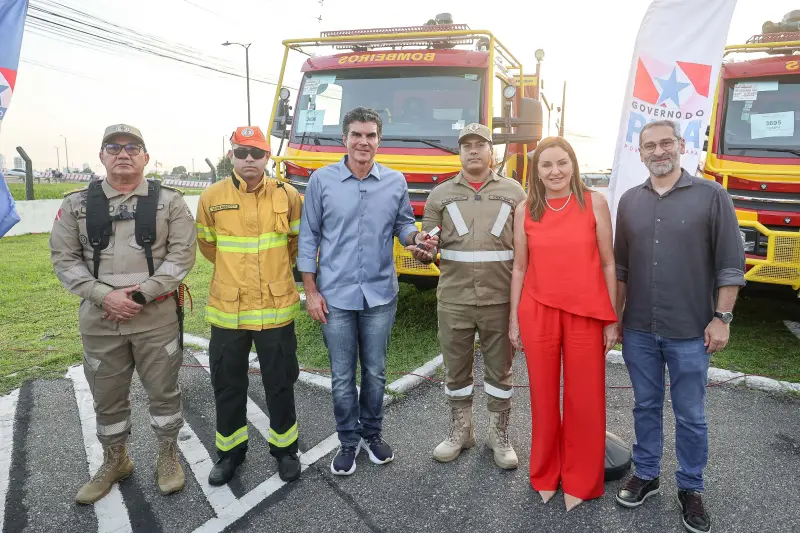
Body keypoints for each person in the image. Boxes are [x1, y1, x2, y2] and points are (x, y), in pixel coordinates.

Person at [50, 124, 197, 503]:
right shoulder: (76, 204)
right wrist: (105, 297)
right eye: (113, 147)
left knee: (164, 393)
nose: (123, 153)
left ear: (146, 157)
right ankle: (116, 459)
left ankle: (168, 454)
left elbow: (182, 256)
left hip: (155, 318)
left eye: (133, 147)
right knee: (107, 397)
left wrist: (141, 294)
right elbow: (64, 260)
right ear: (101, 157)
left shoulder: (171, 202)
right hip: (101, 320)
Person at [614, 120, 745, 533]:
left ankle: (691, 488)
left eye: (665, 143)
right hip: (638, 329)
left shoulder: (712, 196)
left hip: (691, 330)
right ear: (640, 153)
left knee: (691, 415)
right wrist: (615, 319)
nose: (658, 151)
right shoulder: (630, 202)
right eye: (649, 145)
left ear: (681, 146)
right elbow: (620, 267)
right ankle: (647, 475)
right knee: (645, 406)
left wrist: (721, 318)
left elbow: (730, 264)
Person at [297, 106, 437, 476]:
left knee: (374, 372)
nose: (363, 141)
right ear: (344, 139)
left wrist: (416, 239)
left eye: (370, 135)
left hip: (379, 295)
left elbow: (404, 225)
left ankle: (372, 435)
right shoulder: (321, 181)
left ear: (378, 140)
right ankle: (347, 441)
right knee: (342, 376)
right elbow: (308, 238)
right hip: (335, 296)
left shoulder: (394, 181)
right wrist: (311, 291)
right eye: (356, 134)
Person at [509, 136, 619, 511]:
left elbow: (608, 263)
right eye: (546, 165)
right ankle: (544, 473)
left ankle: (582, 479)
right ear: (535, 172)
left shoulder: (595, 203)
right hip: (537, 310)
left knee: (584, 399)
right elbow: (520, 267)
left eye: (562, 163)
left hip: (587, 313)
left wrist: (611, 318)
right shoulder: (525, 209)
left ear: (573, 164)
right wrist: (513, 320)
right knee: (541, 397)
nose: (555, 171)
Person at [195, 126, 304, 485]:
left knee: (281, 382)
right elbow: (209, 246)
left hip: (275, 309)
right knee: (228, 385)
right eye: (242, 153)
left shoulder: (288, 196)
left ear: (267, 156)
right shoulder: (211, 196)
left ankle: (285, 451)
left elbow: (295, 244)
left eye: (256, 153)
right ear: (231, 155)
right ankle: (230, 454)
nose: (249, 160)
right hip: (230, 310)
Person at [420, 123, 526, 470]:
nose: (473, 150)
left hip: (500, 299)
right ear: (460, 152)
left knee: (501, 373)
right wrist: (423, 251)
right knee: (456, 371)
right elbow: (428, 243)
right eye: (466, 145)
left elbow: (528, 249)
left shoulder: (515, 193)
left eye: (480, 144)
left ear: (491, 151)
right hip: (454, 298)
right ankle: (461, 433)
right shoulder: (441, 194)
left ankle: (500, 436)